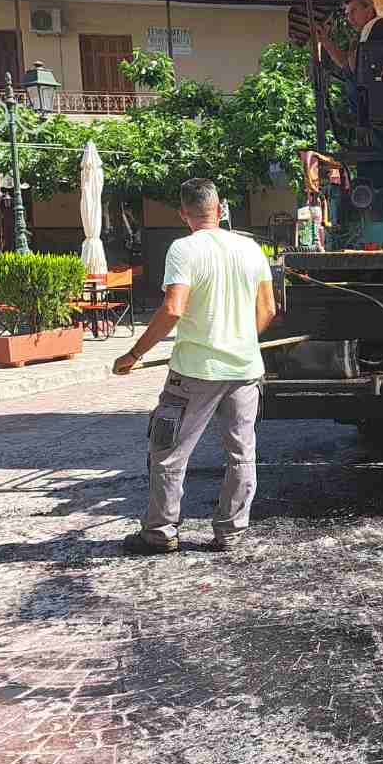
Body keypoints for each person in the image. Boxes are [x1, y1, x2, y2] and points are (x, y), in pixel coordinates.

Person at [112, 178, 277, 555]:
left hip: (194, 371)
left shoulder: (183, 249)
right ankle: (230, 532)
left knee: (168, 451)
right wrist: (239, 340)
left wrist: (133, 354)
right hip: (245, 370)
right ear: (220, 209)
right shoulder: (251, 248)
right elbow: (268, 308)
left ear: (183, 214)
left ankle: (160, 533)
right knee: (241, 453)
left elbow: (173, 309)